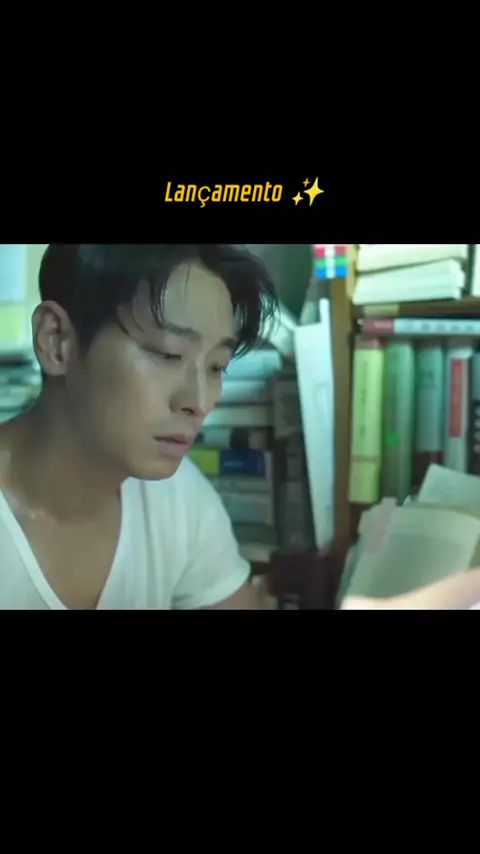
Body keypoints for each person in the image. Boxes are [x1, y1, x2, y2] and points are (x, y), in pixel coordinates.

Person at [0, 244, 278, 610]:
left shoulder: (179, 501)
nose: (199, 401)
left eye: (216, 366)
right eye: (168, 354)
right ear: (56, 341)